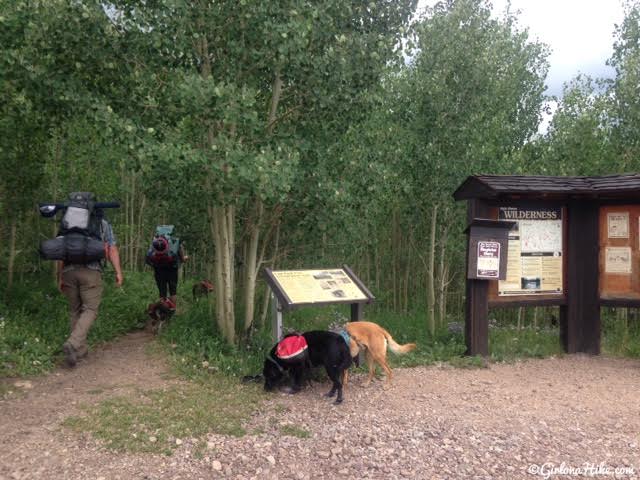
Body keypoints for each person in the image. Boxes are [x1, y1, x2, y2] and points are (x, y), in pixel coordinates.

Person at [57, 212, 123, 367]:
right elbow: (112, 249)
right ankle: (73, 344)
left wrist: (60, 276)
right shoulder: (101, 223)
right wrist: (118, 272)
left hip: (69, 271)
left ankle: (79, 350)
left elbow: (61, 252)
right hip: (91, 271)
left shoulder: (67, 224)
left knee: (75, 310)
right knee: (90, 309)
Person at [148, 239, 187, 311]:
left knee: (162, 293)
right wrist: (184, 259)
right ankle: (172, 311)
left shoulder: (155, 243)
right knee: (173, 291)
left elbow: (148, 260)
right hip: (172, 270)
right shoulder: (174, 241)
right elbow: (180, 256)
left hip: (159, 271)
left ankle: (163, 312)